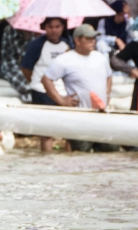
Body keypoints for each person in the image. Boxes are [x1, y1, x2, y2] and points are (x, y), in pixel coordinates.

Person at [21, 17, 72, 152]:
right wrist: (36, 81)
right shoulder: (36, 45)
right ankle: (46, 159)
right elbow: (26, 68)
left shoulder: (67, 45)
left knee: (70, 129)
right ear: (44, 27)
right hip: (41, 91)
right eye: (50, 27)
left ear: (63, 28)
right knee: (46, 131)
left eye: (57, 26)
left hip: (62, 90)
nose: (54, 30)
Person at [42, 23, 112, 111]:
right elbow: (46, 79)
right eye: (88, 38)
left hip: (101, 111)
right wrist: (61, 100)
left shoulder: (101, 58)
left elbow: (109, 76)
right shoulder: (65, 59)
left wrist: (107, 94)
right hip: (78, 113)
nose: (93, 41)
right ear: (77, 41)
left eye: (94, 38)